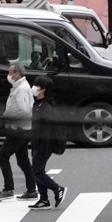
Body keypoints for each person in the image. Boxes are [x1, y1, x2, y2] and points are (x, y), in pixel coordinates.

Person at [0, 63, 37, 202]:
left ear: (17, 74)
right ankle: (31, 190)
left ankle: (8, 189)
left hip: (18, 129)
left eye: (10, 72)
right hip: (21, 129)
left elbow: (23, 111)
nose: (9, 75)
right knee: (23, 161)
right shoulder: (17, 87)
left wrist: (5, 119)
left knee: (3, 157)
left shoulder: (22, 89)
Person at [26, 76, 66, 210]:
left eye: (37, 86)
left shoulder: (46, 107)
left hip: (44, 145)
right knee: (38, 171)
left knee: (36, 172)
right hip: (36, 143)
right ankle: (43, 200)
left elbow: (48, 131)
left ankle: (57, 189)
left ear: (43, 90)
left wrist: (43, 147)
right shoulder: (37, 104)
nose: (34, 87)